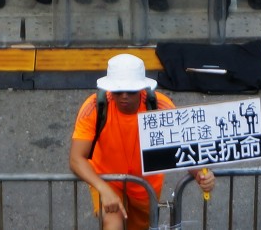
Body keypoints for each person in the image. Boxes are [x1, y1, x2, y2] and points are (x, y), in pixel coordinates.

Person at [69, 54, 215, 230]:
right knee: (112, 222)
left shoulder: (161, 106)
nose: (124, 96)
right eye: (117, 91)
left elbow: (182, 146)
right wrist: (103, 189)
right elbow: (76, 158)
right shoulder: (94, 107)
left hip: (145, 188)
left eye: (131, 91)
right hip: (107, 180)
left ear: (141, 89)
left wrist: (201, 174)